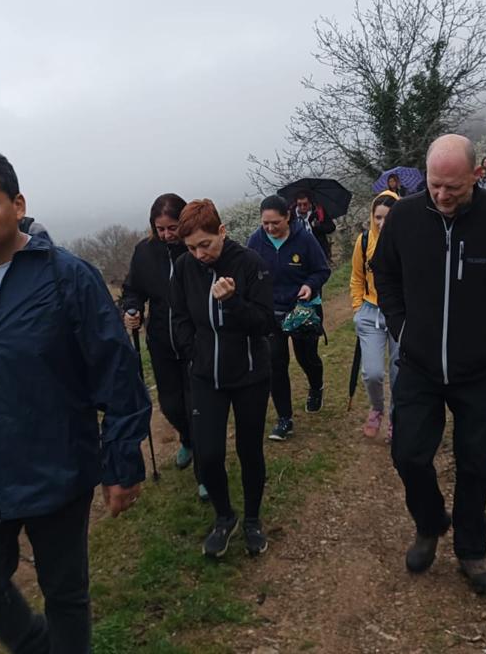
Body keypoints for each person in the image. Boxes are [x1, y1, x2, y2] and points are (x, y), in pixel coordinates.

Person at [0, 151, 151, 654]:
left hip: (57, 466)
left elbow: (115, 371)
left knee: (66, 592)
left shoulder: (66, 278)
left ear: (17, 205)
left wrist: (122, 461)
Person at [372, 134, 486, 594]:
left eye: (454, 187)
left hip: (477, 369)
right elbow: (382, 273)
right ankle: (429, 523)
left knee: (475, 462)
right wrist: (401, 328)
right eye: (434, 186)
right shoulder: (405, 218)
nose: (443, 196)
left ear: (474, 175)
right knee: (408, 454)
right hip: (419, 365)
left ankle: (471, 550)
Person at [169, 199, 274, 558]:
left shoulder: (250, 264)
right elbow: (179, 315)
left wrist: (232, 303)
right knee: (209, 455)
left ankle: (252, 520)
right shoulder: (184, 268)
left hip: (249, 375)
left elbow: (265, 323)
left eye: (205, 245)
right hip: (205, 375)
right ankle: (224, 517)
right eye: (191, 247)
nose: (199, 254)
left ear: (222, 232)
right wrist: (191, 352)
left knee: (249, 450)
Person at [120, 193, 205, 498]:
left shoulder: (196, 248)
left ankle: (205, 473)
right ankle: (187, 440)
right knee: (171, 405)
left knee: (197, 405)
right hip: (160, 340)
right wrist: (131, 309)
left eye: (172, 227)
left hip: (195, 340)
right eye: (161, 228)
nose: (167, 234)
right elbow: (132, 289)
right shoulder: (145, 252)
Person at [247, 195, 332, 440]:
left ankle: (316, 386)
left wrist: (309, 285)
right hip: (270, 312)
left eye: (276, 223)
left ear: (288, 217)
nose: (270, 228)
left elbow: (322, 270)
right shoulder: (255, 241)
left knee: (307, 358)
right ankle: (285, 419)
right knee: (275, 363)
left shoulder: (304, 239)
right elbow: (247, 272)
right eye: (266, 223)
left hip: (302, 309)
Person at [349, 192, 400, 439]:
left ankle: (396, 417)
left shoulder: (409, 241)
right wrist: (358, 309)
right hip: (370, 312)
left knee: (400, 370)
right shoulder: (364, 240)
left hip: (401, 312)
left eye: (388, 218)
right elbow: (357, 277)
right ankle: (377, 408)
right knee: (372, 373)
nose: (382, 223)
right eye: (378, 217)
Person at [291, 189, 336, 259]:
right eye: (299, 204)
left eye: (305, 204)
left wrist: (319, 226)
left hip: (319, 249)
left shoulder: (318, 211)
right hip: (300, 252)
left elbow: (331, 227)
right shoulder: (291, 215)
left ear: (310, 202)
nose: (302, 207)